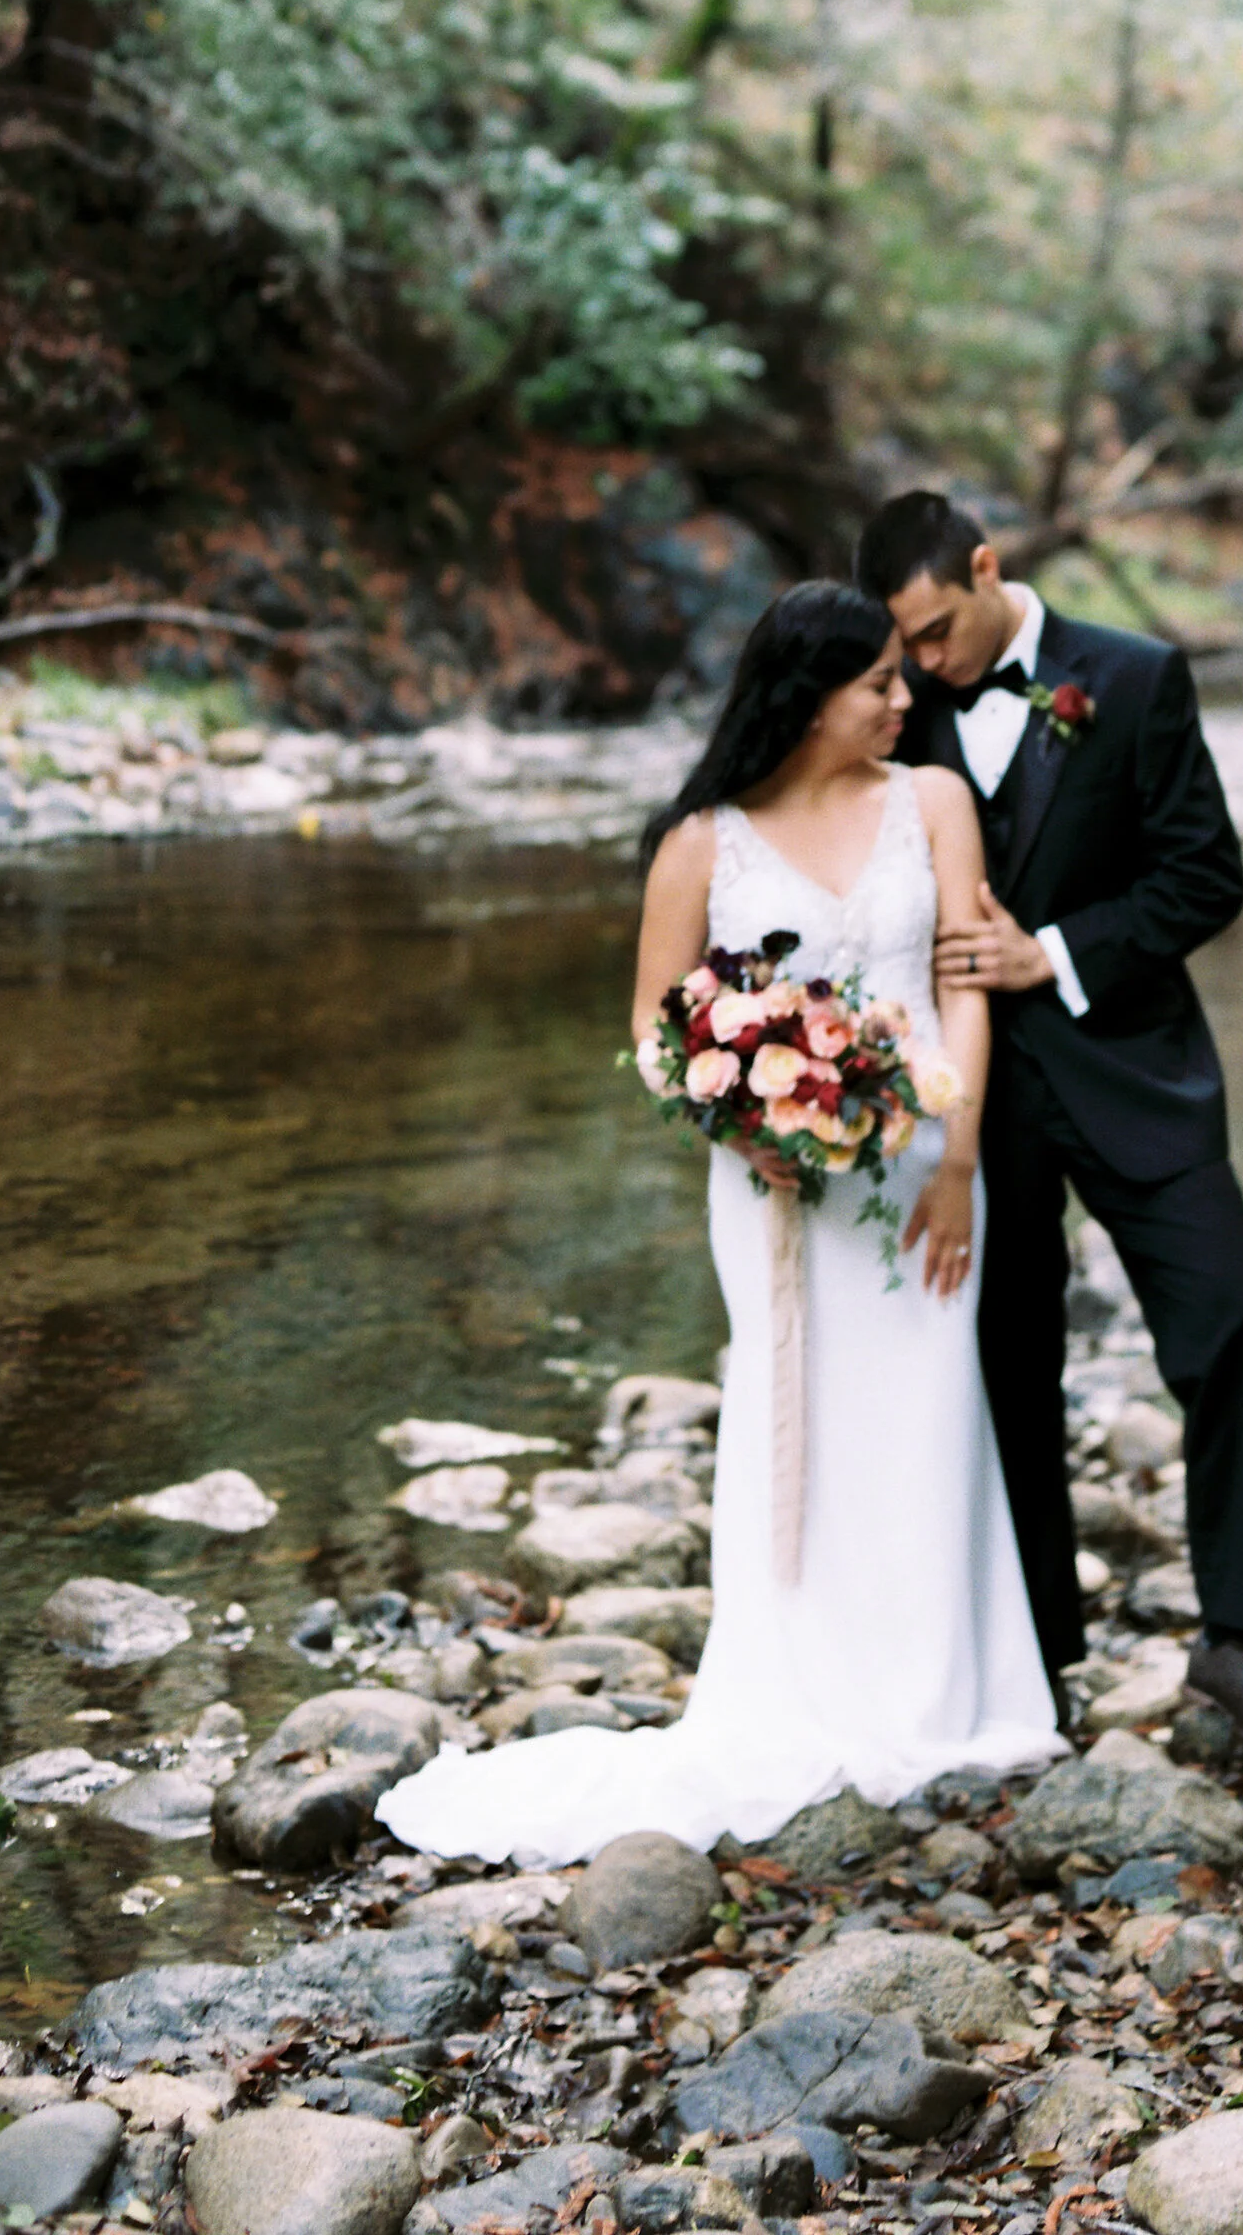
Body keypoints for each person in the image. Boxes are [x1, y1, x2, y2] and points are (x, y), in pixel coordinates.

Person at [376, 581, 1058, 1867]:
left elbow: (961, 980)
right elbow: (652, 1029)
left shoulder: (933, 803)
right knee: (802, 1403)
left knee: (924, 1403)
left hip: (920, 1158)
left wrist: (960, 1155)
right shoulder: (702, 840)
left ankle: (942, 1697)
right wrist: (746, 1113)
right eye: (875, 685)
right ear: (804, 699)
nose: (905, 699)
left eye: (901, 680)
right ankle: (801, 1684)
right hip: (775, 1184)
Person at [854, 490, 1243, 1754]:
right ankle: (1038, 1661)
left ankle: (1232, 1638)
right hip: (969, 1104)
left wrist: (1051, 951)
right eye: (909, 650)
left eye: (940, 633)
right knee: (1007, 1366)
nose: (931, 666)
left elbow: (1204, 875)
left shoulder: (1136, 674)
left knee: (1234, 1332)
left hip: (1131, 1065)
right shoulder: (897, 713)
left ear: (989, 568)